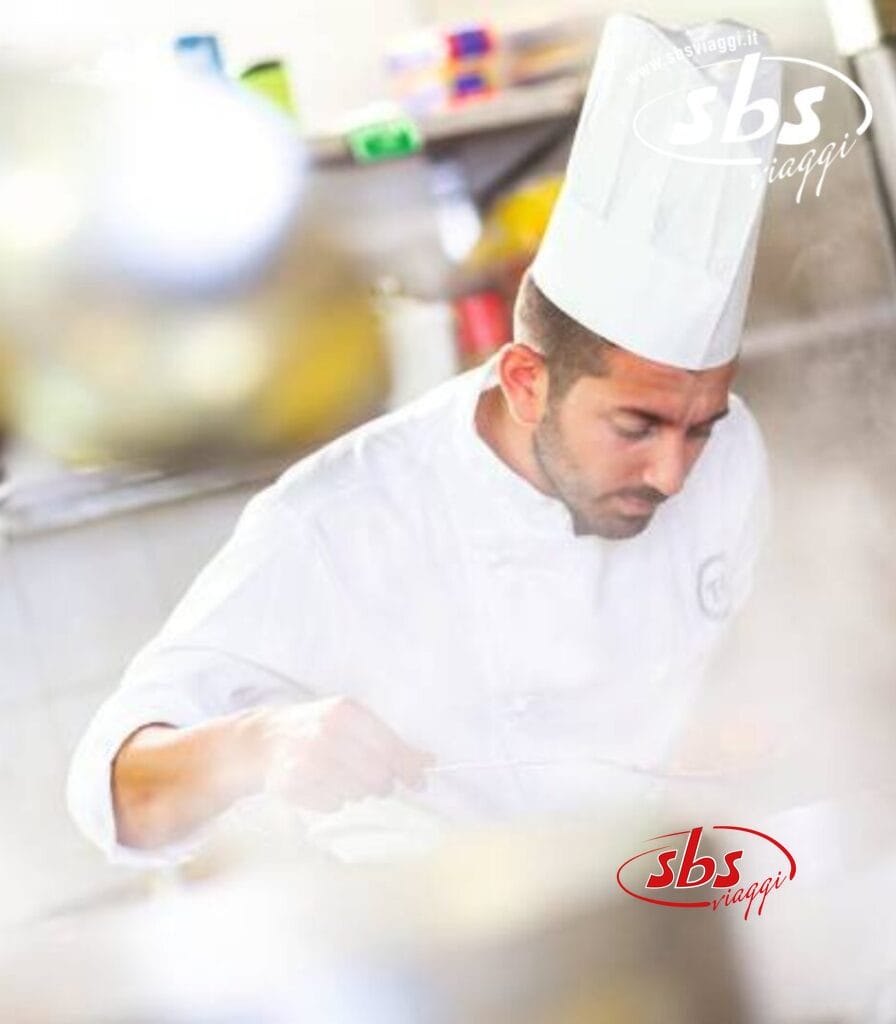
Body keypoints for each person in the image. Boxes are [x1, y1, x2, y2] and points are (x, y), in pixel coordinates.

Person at [67, 13, 780, 864]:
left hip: (671, 903)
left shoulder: (733, 453)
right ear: (525, 381)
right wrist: (260, 744)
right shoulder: (337, 521)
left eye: (701, 424)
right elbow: (111, 794)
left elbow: (736, 665)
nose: (673, 472)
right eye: (638, 425)